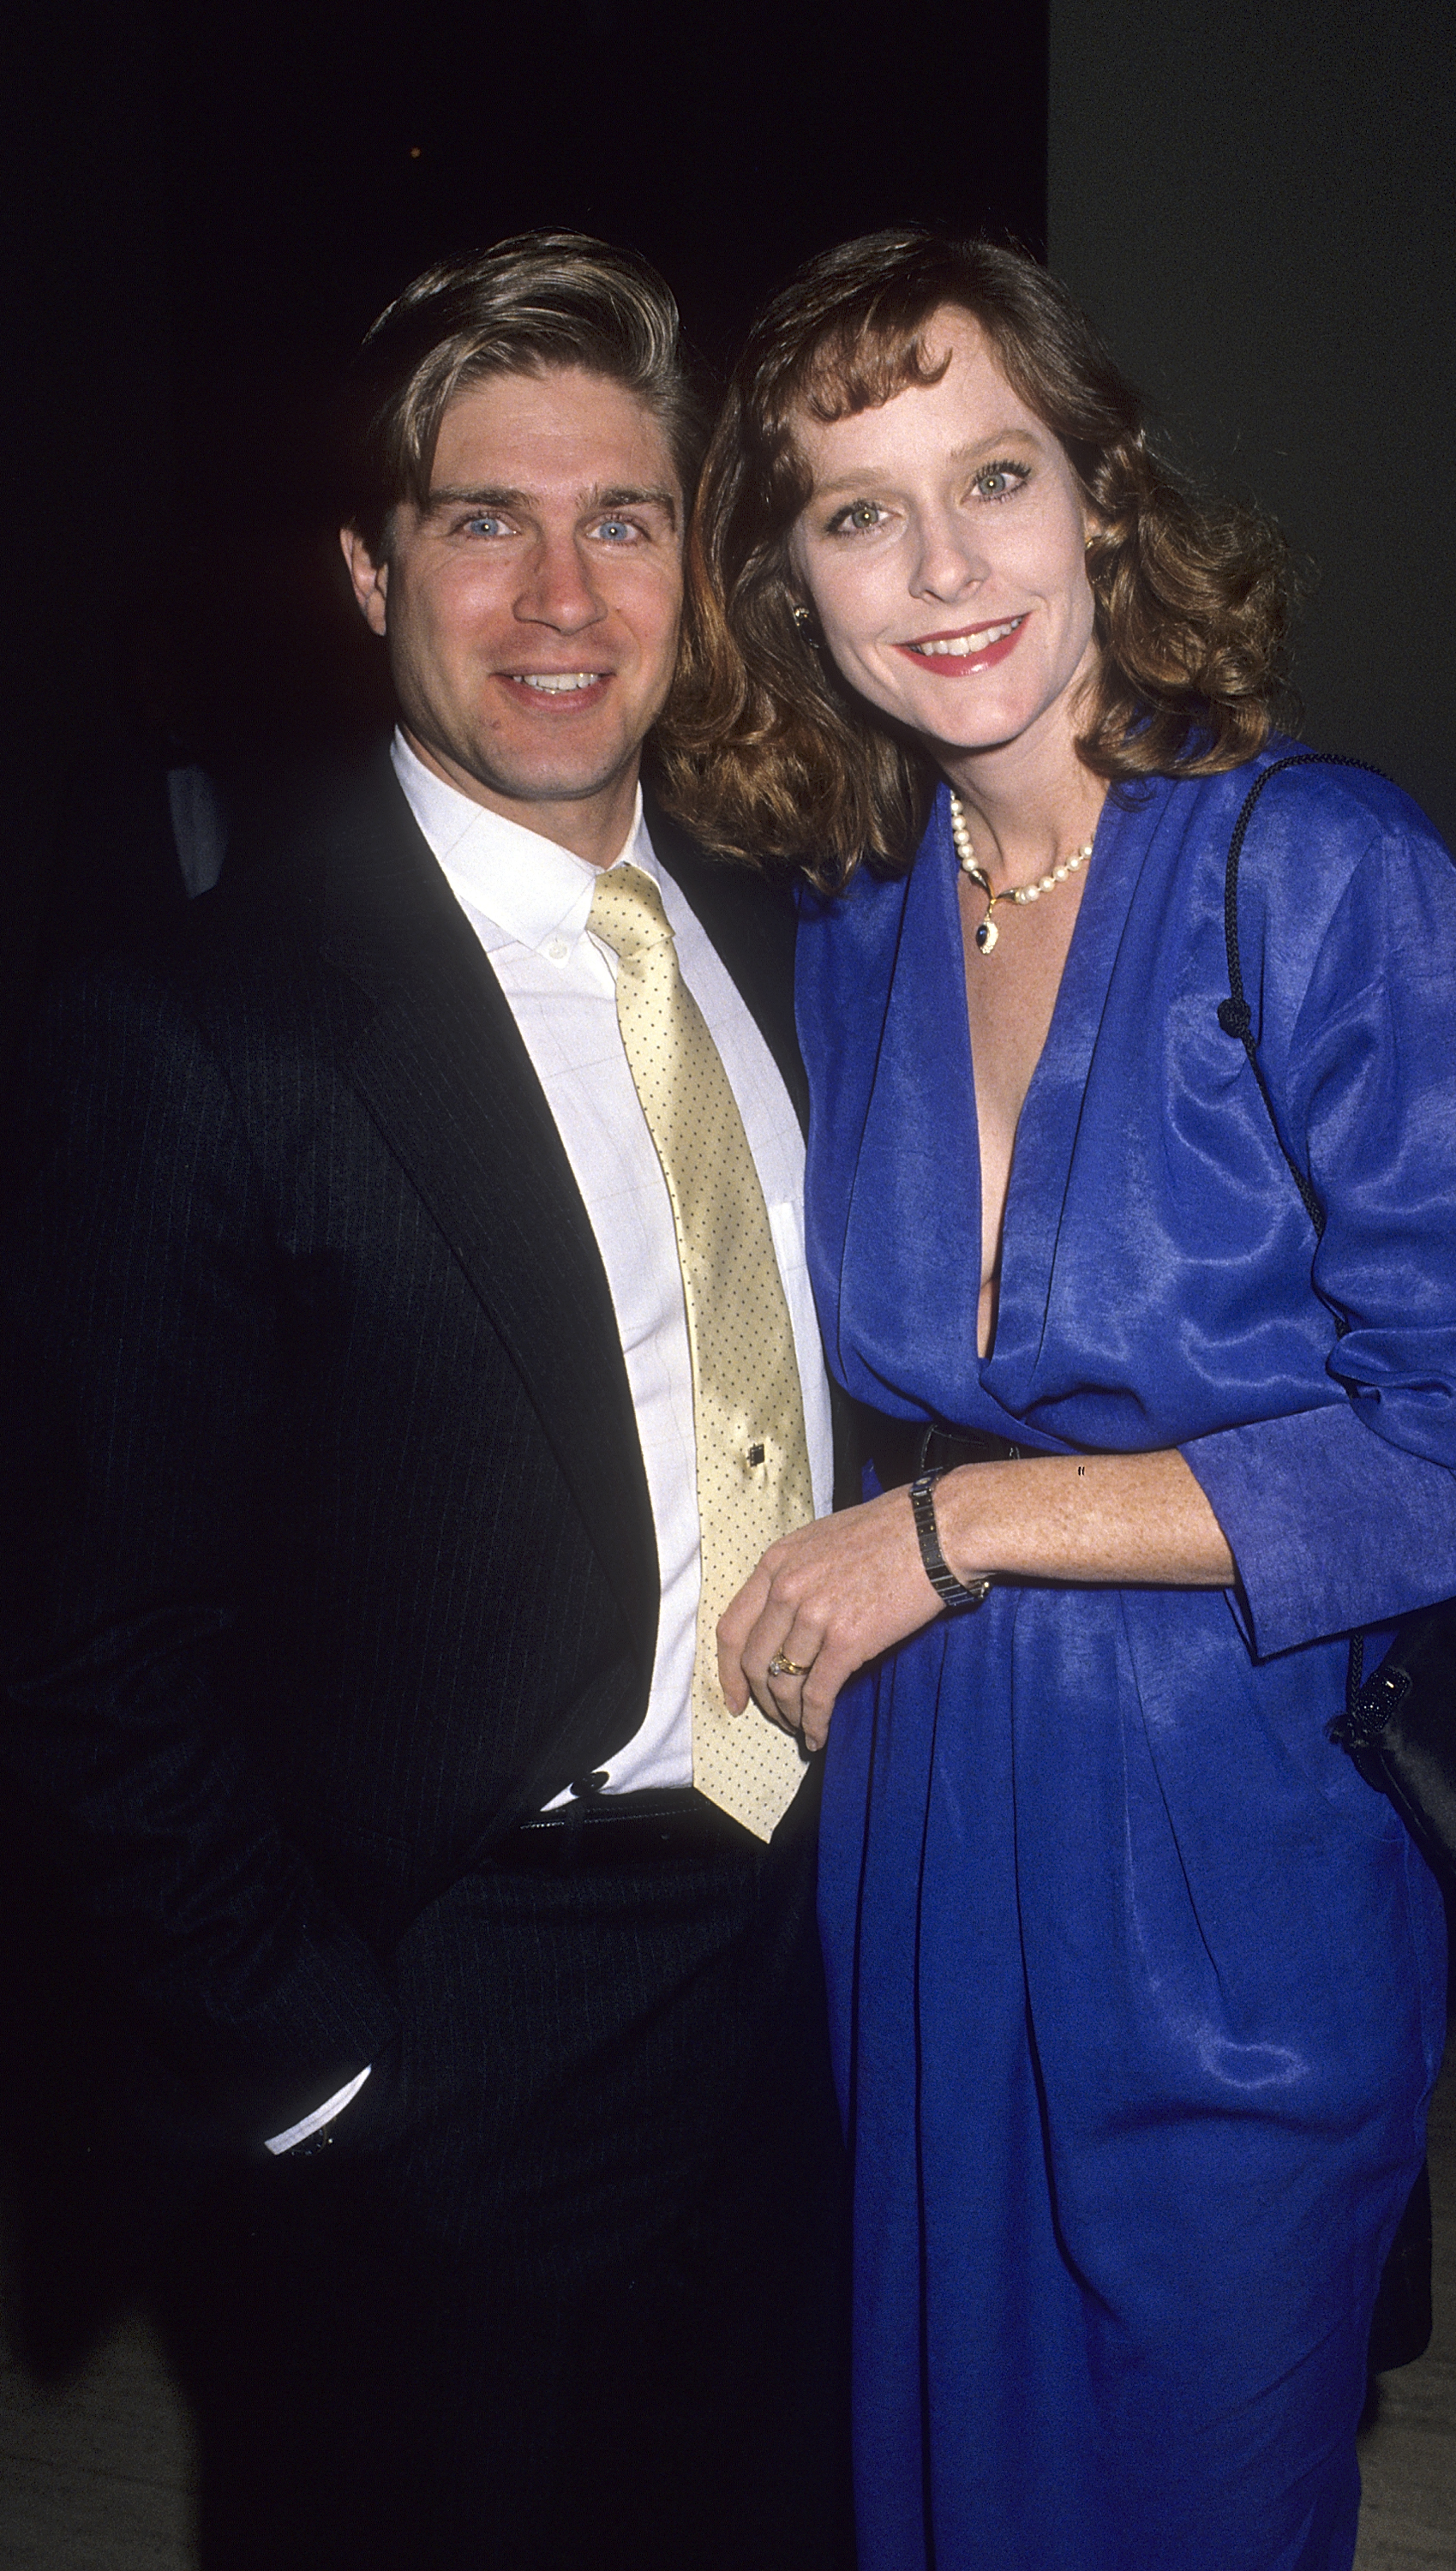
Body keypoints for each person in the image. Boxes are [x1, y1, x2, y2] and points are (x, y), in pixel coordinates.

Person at [660, 231, 1456, 2571]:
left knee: (1200, 2471)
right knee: (936, 2469)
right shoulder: (866, 912)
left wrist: (952, 1531)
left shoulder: (1322, 874)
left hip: (1233, 1823)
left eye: (993, 472)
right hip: (921, 1823)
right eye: (858, 511)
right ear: (787, 586)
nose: (945, 565)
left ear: (1104, 491)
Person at [0, 233, 851, 2571]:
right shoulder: (202, 1030)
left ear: (702, 557)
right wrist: (325, 2074)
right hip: (455, 2009)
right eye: (485, 517)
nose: (558, 594)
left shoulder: (785, 943)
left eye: (624, 517)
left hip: (793, 1967)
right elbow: (79, 1652)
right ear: (373, 564)